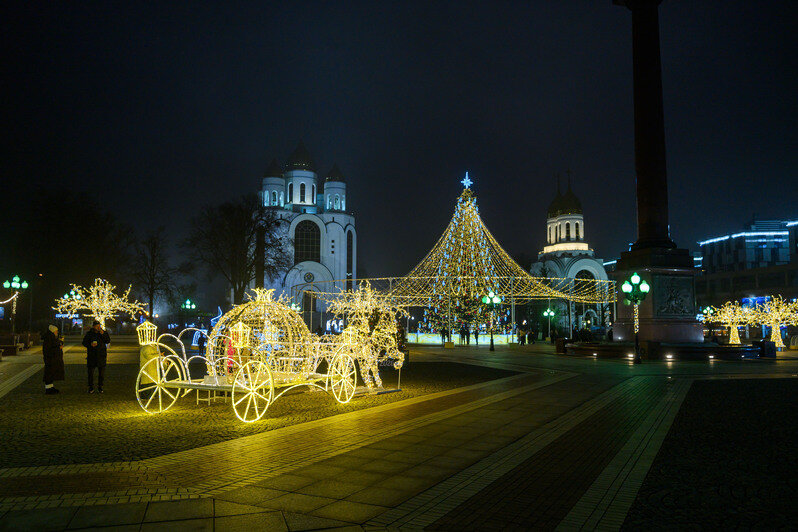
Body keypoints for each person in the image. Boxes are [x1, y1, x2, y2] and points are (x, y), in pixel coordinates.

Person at [82, 320, 111, 393]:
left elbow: (107, 341)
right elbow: (84, 342)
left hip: (101, 356)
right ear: (93, 326)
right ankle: (91, 387)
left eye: (99, 326)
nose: (98, 327)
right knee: (90, 373)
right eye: (97, 326)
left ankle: (100, 387)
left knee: (101, 373)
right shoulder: (89, 334)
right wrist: (90, 345)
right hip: (92, 356)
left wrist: (103, 334)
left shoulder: (103, 333)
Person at [42, 324, 65, 394]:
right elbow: (49, 349)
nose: (57, 332)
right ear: (53, 331)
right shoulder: (49, 338)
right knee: (49, 373)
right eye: (56, 331)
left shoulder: (52, 337)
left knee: (51, 373)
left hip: (52, 358)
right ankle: (48, 389)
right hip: (51, 359)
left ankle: (51, 387)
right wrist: (58, 348)